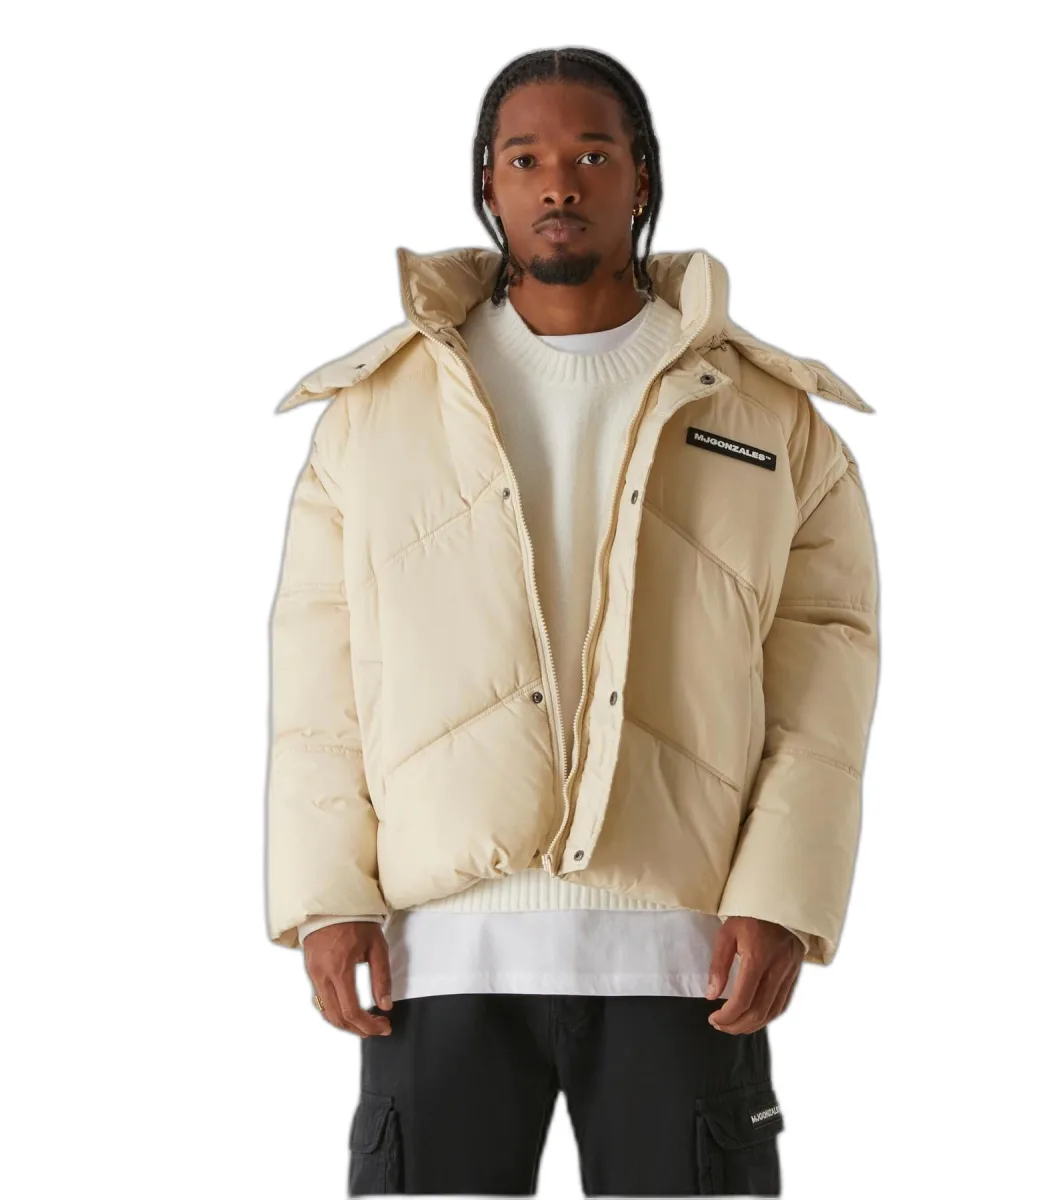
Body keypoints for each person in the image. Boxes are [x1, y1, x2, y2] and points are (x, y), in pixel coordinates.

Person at [266, 46, 880, 1197]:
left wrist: (783, 898)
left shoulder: (774, 419)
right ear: (487, 184)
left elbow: (823, 688)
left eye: (593, 155)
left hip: (683, 955)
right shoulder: (373, 413)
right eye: (526, 158)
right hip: (439, 952)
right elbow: (319, 676)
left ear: (642, 178)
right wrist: (325, 897)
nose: (559, 182)